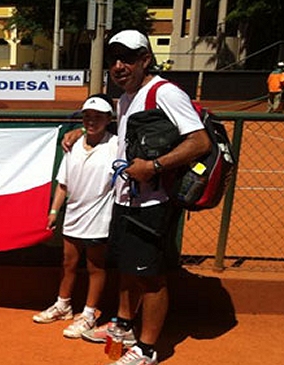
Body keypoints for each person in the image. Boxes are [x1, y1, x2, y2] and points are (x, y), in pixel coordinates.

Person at [63, 30, 210, 365]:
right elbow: (123, 139)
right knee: (129, 268)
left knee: (151, 276)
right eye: (114, 58)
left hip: (153, 202)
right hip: (127, 199)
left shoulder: (165, 93)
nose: (119, 65)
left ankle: (146, 350)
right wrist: (81, 132)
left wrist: (155, 166)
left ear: (146, 59)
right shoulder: (128, 97)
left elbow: (200, 142)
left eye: (127, 58)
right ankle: (124, 326)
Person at [32, 94, 118, 341]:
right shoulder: (72, 146)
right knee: (68, 263)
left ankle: (89, 314)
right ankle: (63, 305)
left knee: (95, 266)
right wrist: (54, 212)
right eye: (87, 117)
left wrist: (79, 131)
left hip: (100, 218)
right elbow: (63, 185)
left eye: (98, 117)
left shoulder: (116, 145)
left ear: (108, 119)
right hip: (73, 215)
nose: (92, 121)